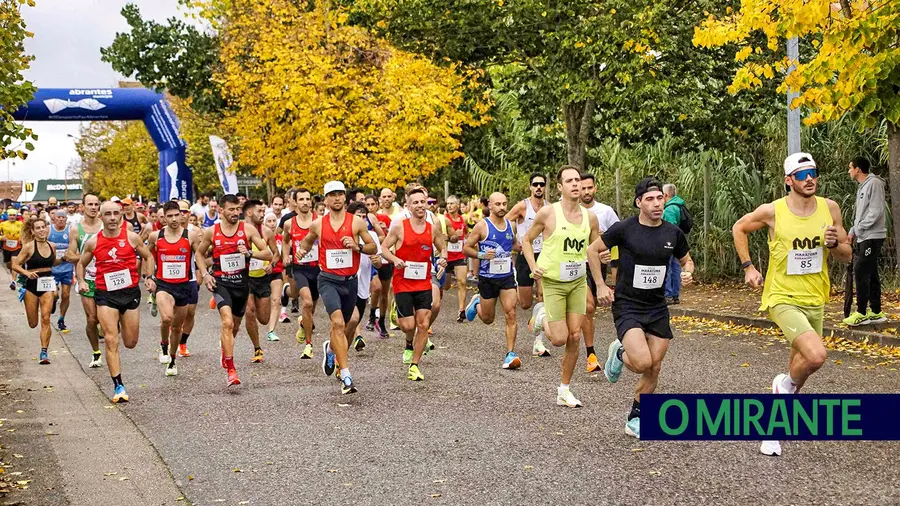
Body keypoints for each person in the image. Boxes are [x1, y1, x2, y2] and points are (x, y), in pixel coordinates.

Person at [732, 152, 852, 456]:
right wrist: (748, 267)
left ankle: (772, 430)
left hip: (815, 297)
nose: (809, 179)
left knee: (801, 367)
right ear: (789, 181)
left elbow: (847, 255)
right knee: (816, 356)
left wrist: (835, 244)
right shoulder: (773, 211)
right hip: (782, 297)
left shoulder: (830, 208)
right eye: (801, 175)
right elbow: (739, 228)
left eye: (812, 172)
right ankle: (782, 385)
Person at [588, 177, 694, 439]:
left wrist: (688, 272)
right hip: (628, 305)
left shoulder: (673, 233)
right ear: (639, 203)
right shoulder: (624, 229)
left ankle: (635, 415)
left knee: (654, 366)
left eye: (660, 198)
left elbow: (687, 260)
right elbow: (593, 250)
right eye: (650, 199)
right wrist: (601, 285)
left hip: (657, 306)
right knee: (641, 362)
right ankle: (620, 351)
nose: (657, 204)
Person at [522, 166, 601, 408]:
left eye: (578, 180)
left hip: (577, 281)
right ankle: (541, 315)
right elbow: (526, 240)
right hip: (553, 282)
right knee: (558, 339)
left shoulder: (591, 217)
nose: (575, 184)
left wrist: (605, 256)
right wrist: (533, 265)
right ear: (560, 187)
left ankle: (564, 390)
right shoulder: (548, 213)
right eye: (569, 181)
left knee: (575, 335)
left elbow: (596, 247)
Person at [294, 181, 377, 394]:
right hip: (328, 280)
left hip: (350, 281)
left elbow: (372, 246)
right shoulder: (318, 224)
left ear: (345, 198)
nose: (337, 198)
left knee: (348, 324)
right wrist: (301, 253)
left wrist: (357, 246)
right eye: (332, 195)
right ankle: (346, 375)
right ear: (325, 200)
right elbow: (306, 242)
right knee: (338, 323)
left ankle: (330, 349)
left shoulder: (357, 223)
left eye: (340, 194)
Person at [77, 201, 155, 403]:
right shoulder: (93, 242)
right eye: (107, 214)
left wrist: (149, 277)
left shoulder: (131, 237)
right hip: (105, 294)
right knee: (111, 339)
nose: (112, 218)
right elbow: (81, 263)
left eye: (115, 214)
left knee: (130, 342)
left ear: (121, 215)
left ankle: (119, 324)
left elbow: (148, 256)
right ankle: (118, 385)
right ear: (100, 217)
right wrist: (81, 280)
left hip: (129, 293)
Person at [195, 194, 273, 386]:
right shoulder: (212, 232)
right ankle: (231, 370)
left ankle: (226, 350)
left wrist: (250, 253)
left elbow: (268, 254)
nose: (236, 213)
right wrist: (205, 274)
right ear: (221, 210)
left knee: (235, 326)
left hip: (242, 285)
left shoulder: (247, 229)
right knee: (227, 323)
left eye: (237, 209)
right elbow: (198, 253)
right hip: (221, 284)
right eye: (231, 209)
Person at [380, 187, 447, 381]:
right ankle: (408, 341)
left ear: (427, 203)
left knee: (423, 324)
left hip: (424, 281)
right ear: (408, 206)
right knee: (408, 326)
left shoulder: (432, 227)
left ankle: (415, 365)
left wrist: (443, 259)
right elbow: (384, 248)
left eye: (422, 202)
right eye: (415, 202)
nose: (419, 205)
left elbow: (443, 249)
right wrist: (394, 259)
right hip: (403, 283)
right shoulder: (400, 226)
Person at [463, 192, 521, 369]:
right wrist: (481, 254)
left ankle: (510, 354)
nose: (502, 207)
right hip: (487, 278)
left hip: (507, 277)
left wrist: (525, 248)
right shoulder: (482, 226)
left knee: (511, 313)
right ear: (490, 205)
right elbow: (466, 248)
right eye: (498, 204)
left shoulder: (512, 226)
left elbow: (514, 244)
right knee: (488, 319)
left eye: (505, 204)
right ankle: (477, 304)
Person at [148, 201, 201, 376]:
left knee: (177, 327)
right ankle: (164, 343)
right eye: (169, 216)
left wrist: (205, 273)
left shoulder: (190, 236)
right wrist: (149, 276)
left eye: (176, 215)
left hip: (184, 285)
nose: (173, 219)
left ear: (182, 215)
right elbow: (148, 254)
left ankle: (172, 358)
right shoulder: (156, 236)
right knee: (167, 318)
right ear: (163, 218)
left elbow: (199, 256)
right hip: (164, 284)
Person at [580, 173, 620, 373]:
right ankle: (591, 354)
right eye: (583, 188)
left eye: (589, 187)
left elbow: (618, 240)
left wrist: (611, 262)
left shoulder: (606, 212)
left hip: (597, 265)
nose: (586, 192)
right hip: (575, 265)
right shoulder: (569, 212)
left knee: (592, 307)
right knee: (588, 307)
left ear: (595, 188)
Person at [844, 157, 888, 326]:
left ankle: (862, 312)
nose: (849, 171)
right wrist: (854, 230)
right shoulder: (863, 186)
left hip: (873, 236)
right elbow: (863, 213)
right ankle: (876, 311)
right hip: (864, 236)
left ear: (858, 169)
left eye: (850, 168)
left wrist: (859, 229)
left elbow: (875, 212)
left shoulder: (874, 184)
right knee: (871, 272)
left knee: (860, 269)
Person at [12, 218, 61, 365]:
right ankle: (43, 300)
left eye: (43, 227)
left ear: (47, 228)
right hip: (32, 284)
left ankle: (44, 352)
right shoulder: (28, 247)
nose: (41, 230)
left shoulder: (52, 246)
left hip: (47, 283)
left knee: (45, 318)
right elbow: (15, 265)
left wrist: (64, 258)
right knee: (33, 323)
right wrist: (26, 273)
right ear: (33, 231)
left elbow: (53, 263)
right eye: (38, 228)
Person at [282, 188, 320, 357]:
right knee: (307, 303)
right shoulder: (290, 223)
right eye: (301, 199)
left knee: (311, 307)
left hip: (319, 268)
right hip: (300, 268)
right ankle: (309, 345)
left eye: (307, 199)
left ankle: (304, 325)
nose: (305, 202)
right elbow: (285, 241)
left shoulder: (320, 221)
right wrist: (285, 257)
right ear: (295, 202)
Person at [67, 194, 104, 368]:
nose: (93, 207)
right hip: (87, 278)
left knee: (108, 320)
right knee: (92, 319)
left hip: (108, 277)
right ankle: (96, 352)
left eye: (96, 204)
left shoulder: (106, 225)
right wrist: (85, 258)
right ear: (83, 206)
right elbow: (69, 254)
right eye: (90, 204)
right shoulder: (76, 229)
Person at [507, 173, 549, 312]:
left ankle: (541, 324)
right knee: (525, 303)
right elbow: (505, 223)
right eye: (535, 185)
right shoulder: (522, 207)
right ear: (530, 187)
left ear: (545, 187)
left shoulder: (550, 208)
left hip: (544, 255)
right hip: (525, 255)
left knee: (543, 294)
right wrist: (514, 243)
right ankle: (515, 283)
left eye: (541, 185)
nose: (538, 187)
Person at [243, 199, 279, 359]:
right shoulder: (239, 230)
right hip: (245, 279)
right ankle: (257, 348)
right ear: (249, 212)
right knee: (249, 312)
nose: (263, 214)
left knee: (264, 319)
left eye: (264, 211)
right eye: (260, 211)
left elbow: (276, 253)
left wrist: (272, 264)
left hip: (262, 278)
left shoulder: (267, 232)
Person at [346, 201, 383, 352]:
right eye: (358, 216)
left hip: (362, 287)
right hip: (344, 284)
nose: (362, 220)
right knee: (350, 320)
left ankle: (337, 353)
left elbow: (379, 263)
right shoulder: (344, 234)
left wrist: (377, 261)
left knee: (352, 323)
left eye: (364, 217)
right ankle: (340, 357)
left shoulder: (372, 235)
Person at [175, 200, 201, 357]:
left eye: (185, 212)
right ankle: (170, 336)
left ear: (189, 214)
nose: (182, 215)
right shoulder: (164, 232)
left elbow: (199, 254)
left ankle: (183, 342)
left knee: (190, 312)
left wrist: (201, 272)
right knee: (173, 314)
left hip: (190, 276)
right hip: (169, 278)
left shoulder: (195, 232)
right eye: (179, 212)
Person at [365, 195, 392, 335]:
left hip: (384, 257)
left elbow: (387, 237)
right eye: (367, 204)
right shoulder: (363, 219)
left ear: (377, 204)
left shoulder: (384, 218)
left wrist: (384, 229)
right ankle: (371, 315)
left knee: (384, 293)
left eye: (372, 204)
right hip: (370, 258)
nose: (370, 207)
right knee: (376, 288)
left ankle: (381, 321)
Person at [444, 195, 470, 323]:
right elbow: (442, 237)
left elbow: (466, 234)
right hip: (447, 256)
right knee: (446, 285)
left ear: (457, 205)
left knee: (462, 281)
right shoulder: (444, 220)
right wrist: (453, 236)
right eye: (448, 204)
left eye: (452, 204)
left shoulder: (462, 219)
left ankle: (461, 310)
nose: (449, 206)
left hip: (460, 255)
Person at [48, 210, 74, 333]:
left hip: (67, 267)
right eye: (59, 217)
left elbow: (74, 247)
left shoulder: (70, 230)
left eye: (63, 217)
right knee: (54, 294)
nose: (61, 220)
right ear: (54, 218)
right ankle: (53, 301)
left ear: (66, 219)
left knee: (66, 294)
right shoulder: (49, 230)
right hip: (53, 268)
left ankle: (61, 318)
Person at [662, 184, 687, 305]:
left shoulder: (669, 209)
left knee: (668, 268)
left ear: (665, 195)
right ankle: (675, 295)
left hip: (670, 242)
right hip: (678, 242)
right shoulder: (679, 205)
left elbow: (670, 227)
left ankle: (668, 294)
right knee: (676, 267)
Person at [263, 212, 286, 341]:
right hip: (260, 274)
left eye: (273, 221)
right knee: (260, 307)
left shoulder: (280, 238)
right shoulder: (259, 237)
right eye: (269, 221)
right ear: (264, 224)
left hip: (276, 271)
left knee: (276, 300)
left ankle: (271, 331)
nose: (272, 224)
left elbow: (284, 254)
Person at [0, 209, 24, 290]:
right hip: (6, 247)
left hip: (17, 246)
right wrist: (1, 237)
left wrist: (22, 238)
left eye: (14, 215)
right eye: (10, 215)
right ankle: (13, 275)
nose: (12, 217)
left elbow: (25, 233)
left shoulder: (20, 224)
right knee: (9, 265)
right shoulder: (3, 224)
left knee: (15, 262)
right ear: (8, 216)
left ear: (16, 216)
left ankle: (13, 281)